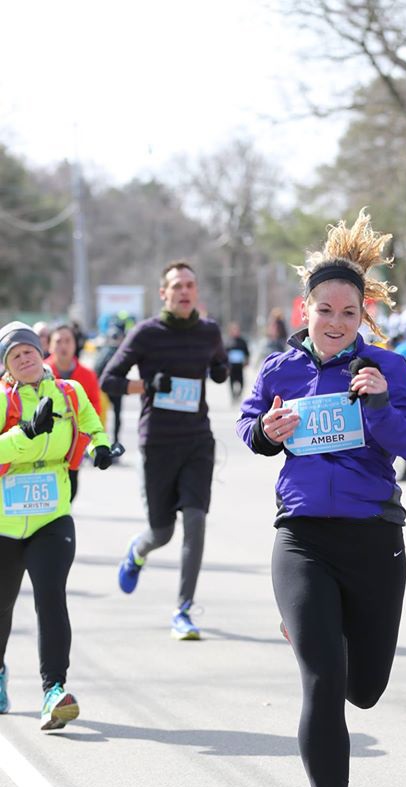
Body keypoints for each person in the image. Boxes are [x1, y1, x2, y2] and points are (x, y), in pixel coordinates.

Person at [236, 211, 406, 787]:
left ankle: (323, 632)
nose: (334, 320)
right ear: (306, 308)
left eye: (348, 311)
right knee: (323, 681)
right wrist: (268, 429)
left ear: (363, 316)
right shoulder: (279, 368)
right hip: (301, 539)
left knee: (365, 690)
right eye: (324, 308)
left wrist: (380, 406)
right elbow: (248, 429)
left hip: (373, 541)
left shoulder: (388, 369)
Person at [100, 260, 228, 640]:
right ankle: (137, 550)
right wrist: (149, 385)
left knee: (195, 521)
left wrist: (220, 369)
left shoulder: (209, 331)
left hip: (197, 442)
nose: (185, 291)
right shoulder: (146, 333)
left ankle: (183, 610)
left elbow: (218, 364)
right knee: (162, 532)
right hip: (157, 442)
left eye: (190, 284)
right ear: (164, 293)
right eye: (177, 286)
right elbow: (109, 379)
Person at [0, 322, 114, 730]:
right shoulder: (2, 399)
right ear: (7, 368)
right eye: (16, 355)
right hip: (4, 524)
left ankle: (54, 690)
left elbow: (92, 424)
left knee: (51, 599)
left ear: (41, 350)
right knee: (2, 606)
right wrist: (24, 433)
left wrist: (102, 446)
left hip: (52, 514)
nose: (25, 357)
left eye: (30, 350)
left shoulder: (69, 392)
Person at [45, 322, 102, 501]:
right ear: (49, 345)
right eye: (58, 341)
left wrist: (95, 440)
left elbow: (95, 408)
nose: (63, 346)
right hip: (44, 443)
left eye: (68, 341)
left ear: (75, 344)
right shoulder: (38, 373)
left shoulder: (87, 375)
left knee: (71, 488)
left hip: (75, 443)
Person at [93, 319, 128, 443]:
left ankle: (111, 442)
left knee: (112, 417)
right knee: (103, 416)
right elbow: (96, 370)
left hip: (114, 388)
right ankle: (103, 442)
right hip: (107, 389)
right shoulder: (111, 351)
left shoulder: (119, 352)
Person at [225, 322, 250, 402]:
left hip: (240, 366)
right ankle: (233, 396)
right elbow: (224, 353)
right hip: (231, 366)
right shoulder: (228, 341)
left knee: (241, 382)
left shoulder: (242, 341)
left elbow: (247, 352)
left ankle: (239, 394)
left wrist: (247, 361)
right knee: (231, 382)